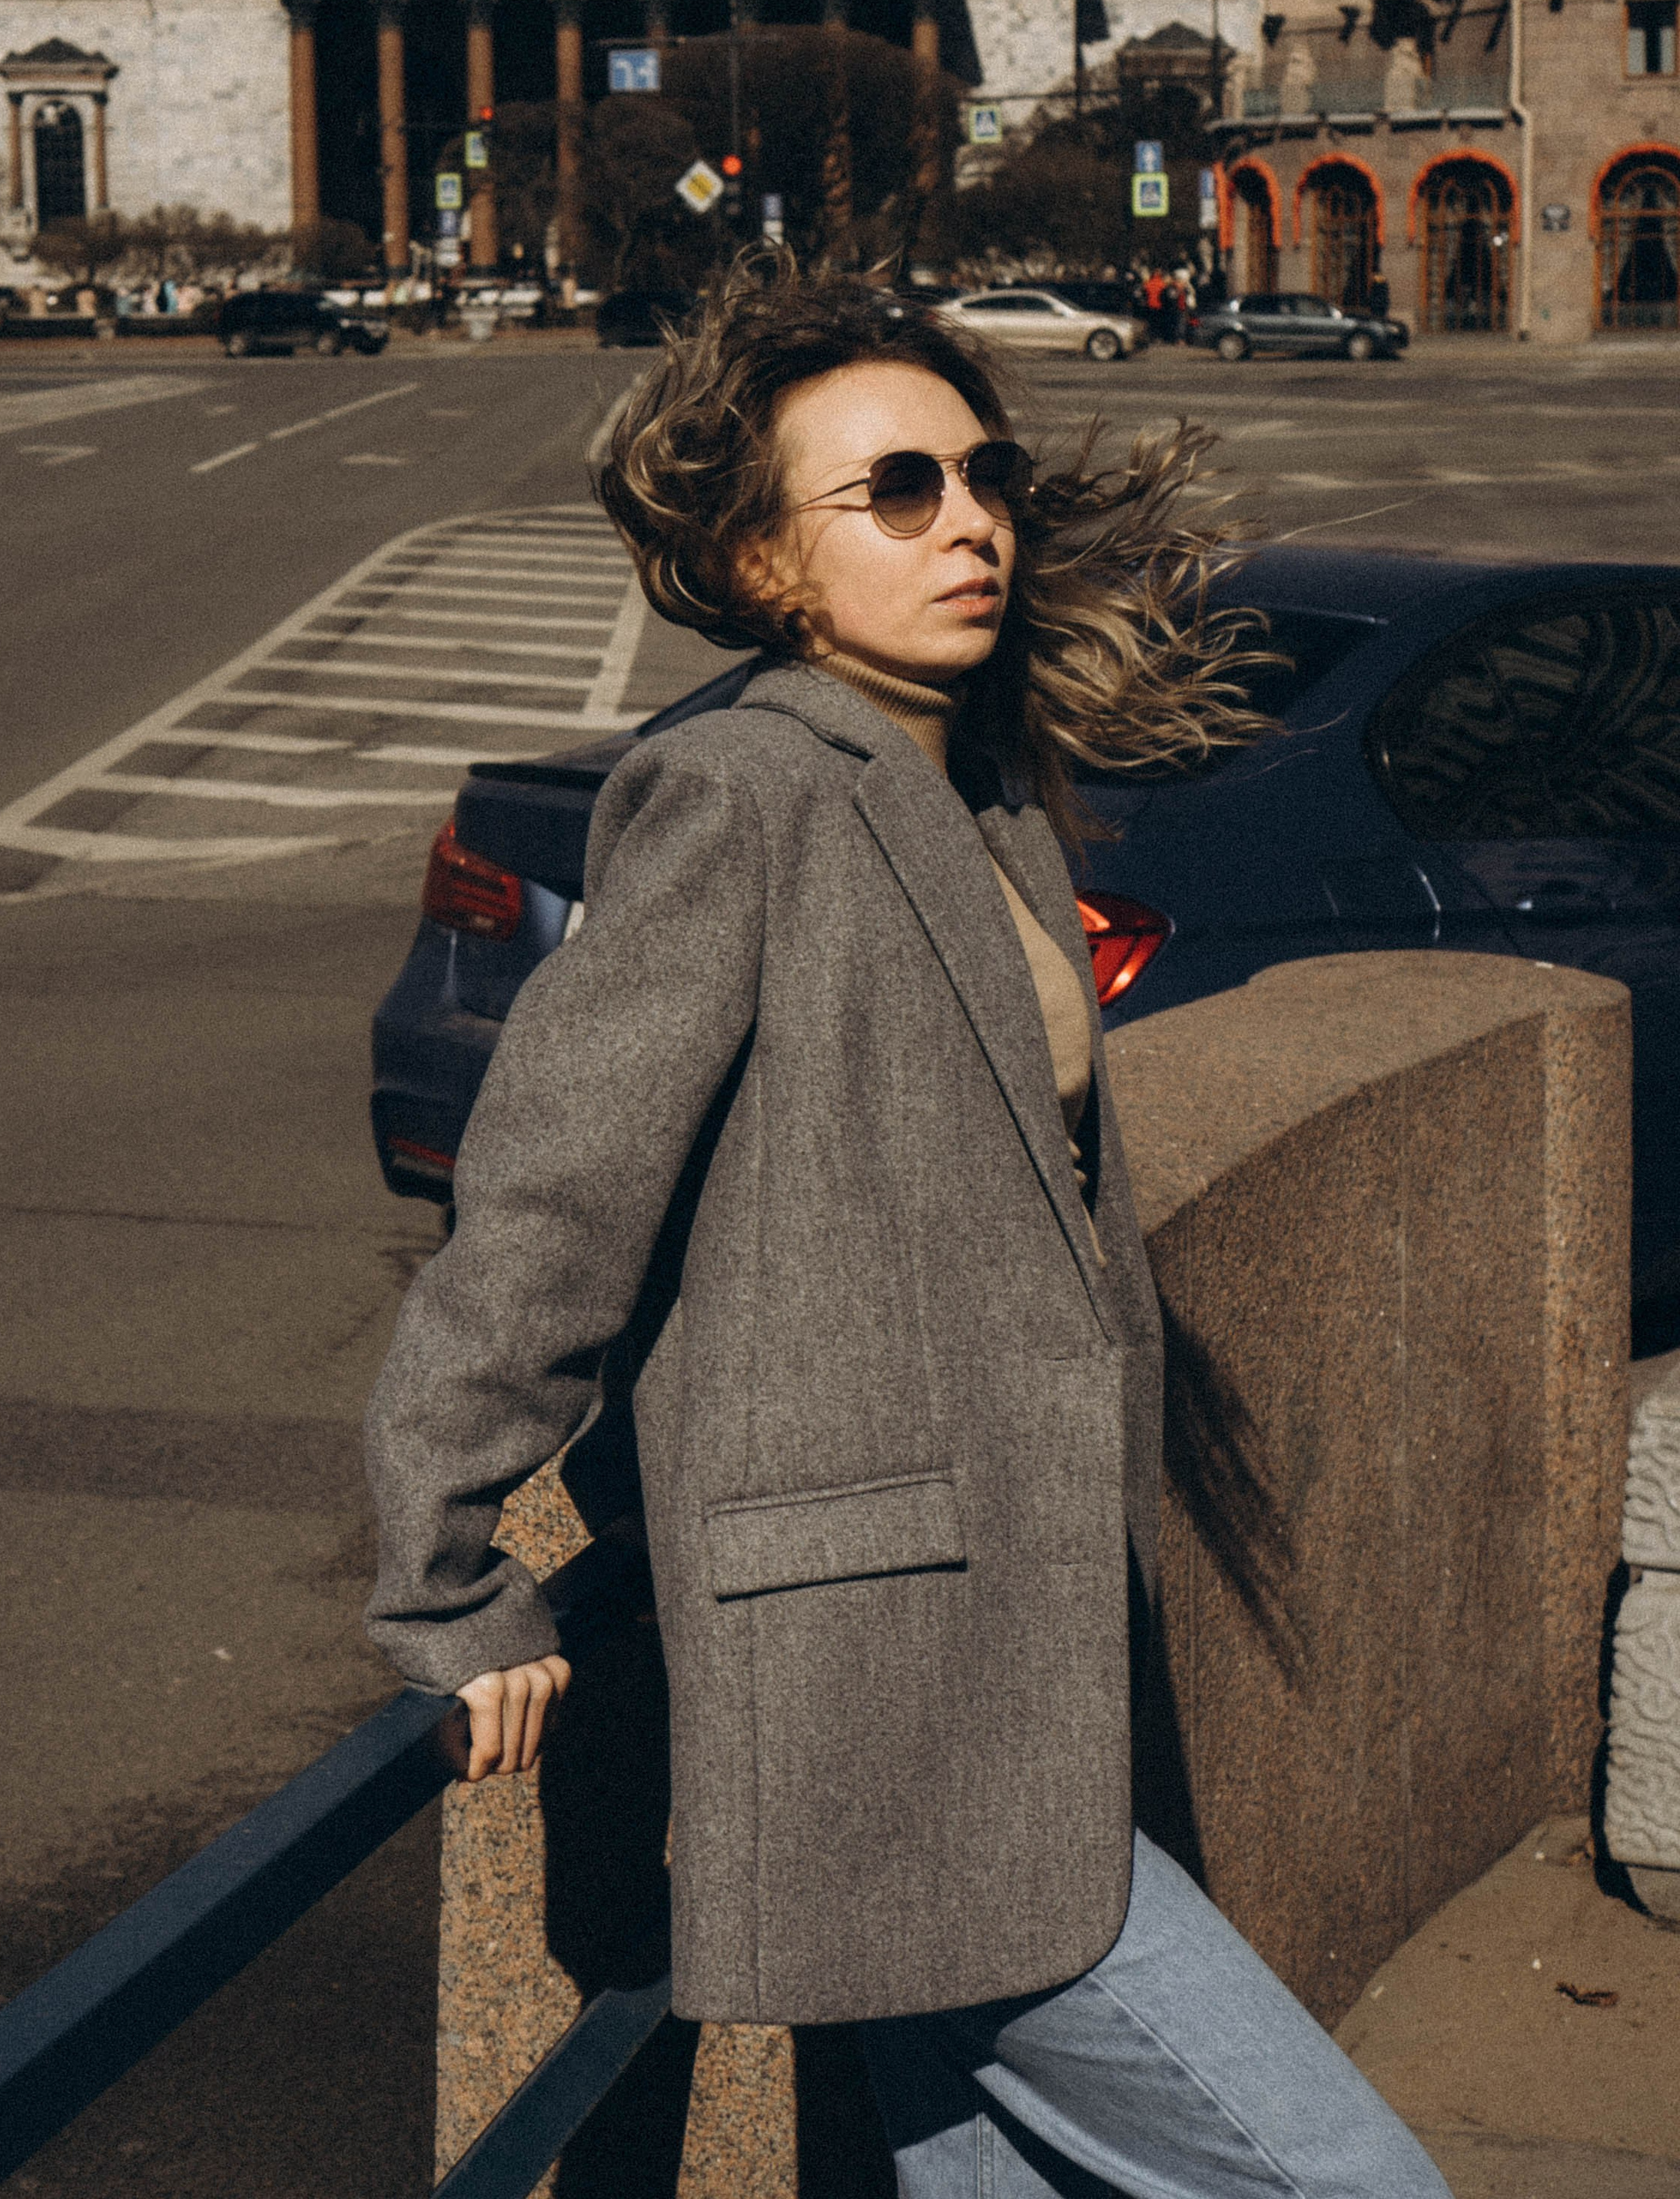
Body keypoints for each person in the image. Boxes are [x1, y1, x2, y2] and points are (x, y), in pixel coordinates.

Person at [364, 260, 1450, 2199]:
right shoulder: (733, 788)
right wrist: (448, 1577)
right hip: (872, 1683)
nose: (969, 521)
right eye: (894, 490)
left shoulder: (965, 785)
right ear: (765, 562)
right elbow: (548, 1194)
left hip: (1006, 1646)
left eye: (980, 474)